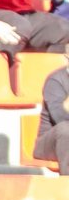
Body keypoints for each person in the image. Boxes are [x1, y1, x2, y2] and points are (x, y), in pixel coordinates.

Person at [34, 43, 69, 172]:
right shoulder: (55, 81)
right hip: (50, 143)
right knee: (66, 129)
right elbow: (60, 117)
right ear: (66, 58)